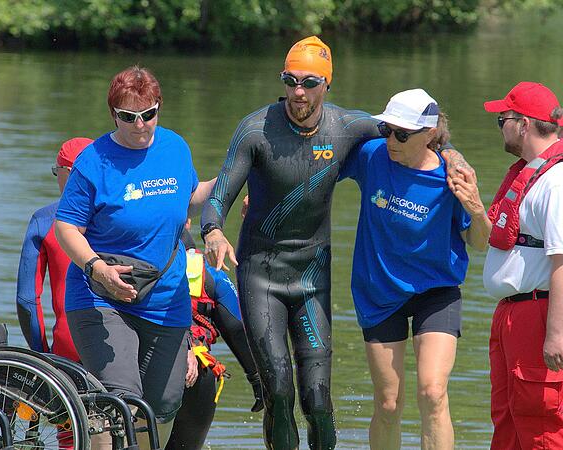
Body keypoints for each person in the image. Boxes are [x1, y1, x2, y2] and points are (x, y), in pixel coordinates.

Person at [200, 36, 470, 449]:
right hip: (261, 275)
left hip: (311, 276)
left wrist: (452, 154)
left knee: (318, 401)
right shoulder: (255, 130)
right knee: (279, 391)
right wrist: (213, 231)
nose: (298, 92)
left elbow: (419, 132)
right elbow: (220, 194)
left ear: (327, 84)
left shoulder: (348, 128)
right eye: (290, 80)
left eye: (309, 82)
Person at [54, 65, 215, 449]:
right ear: (114, 114)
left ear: (159, 107)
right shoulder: (94, 161)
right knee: (122, 401)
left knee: (163, 404)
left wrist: (236, 177)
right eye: (128, 117)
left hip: (165, 298)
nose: (140, 125)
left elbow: (192, 198)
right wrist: (98, 269)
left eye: (148, 114)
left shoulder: (175, 147)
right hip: (102, 296)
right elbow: (66, 226)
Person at [338, 89, 489, 450]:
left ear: (429, 134)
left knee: (433, 393)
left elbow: (481, 242)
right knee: (388, 404)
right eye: (387, 130)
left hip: (436, 291)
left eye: (402, 134)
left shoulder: (452, 178)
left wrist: (477, 210)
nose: (391, 140)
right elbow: (318, 160)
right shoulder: (372, 156)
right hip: (380, 291)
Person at [481, 82, 563, 449]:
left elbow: (561, 259)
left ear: (524, 124)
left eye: (503, 120)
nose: (501, 127)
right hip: (513, 314)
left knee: (541, 425)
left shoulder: (556, 182)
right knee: (508, 423)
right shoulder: (532, 173)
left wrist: (556, 333)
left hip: (538, 314)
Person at [166, 221, 264, 450]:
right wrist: (258, 379)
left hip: (135, 370)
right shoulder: (207, 272)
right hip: (195, 375)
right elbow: (238, 328)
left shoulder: (121, 260)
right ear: (188, 222)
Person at [16, 137, 93, 362]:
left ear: (68, 172)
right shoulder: (125, 216)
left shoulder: (45, 220)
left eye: (55, 171)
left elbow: (27, 299)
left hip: (68, 348)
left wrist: (42, 354)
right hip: (121, 347)